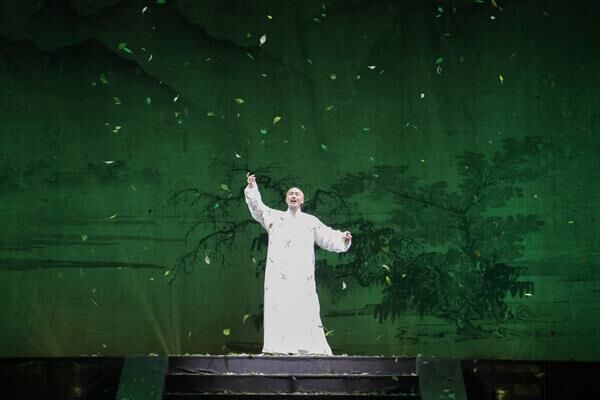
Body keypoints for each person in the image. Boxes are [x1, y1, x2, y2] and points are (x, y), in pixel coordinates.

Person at [244, 173, 352, 356]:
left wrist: (343, 238)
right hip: (279, 275)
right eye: (290, 193)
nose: (294, 196)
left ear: (302, 200)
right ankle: (278, 347)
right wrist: (253, 189)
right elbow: (258, 208)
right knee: (279, 306)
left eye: (297, 194)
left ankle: (307, 346)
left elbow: (326, 235)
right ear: (286, 199)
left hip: (301, 274)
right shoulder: (275, 218)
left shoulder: (310, 221)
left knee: (304, 306)